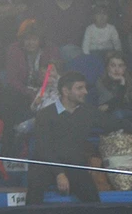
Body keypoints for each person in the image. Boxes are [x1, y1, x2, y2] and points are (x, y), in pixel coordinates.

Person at [26, 71, 106, 205]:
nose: (85, 92)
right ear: (66, 91)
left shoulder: (87, 112)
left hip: (74, 165)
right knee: (35, 182)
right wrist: (59, 173)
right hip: (47, 165)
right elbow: (44, 148)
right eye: (79, 88)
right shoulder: (45, 114)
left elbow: (115, 123)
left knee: (93, 199)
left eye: (85, 88)